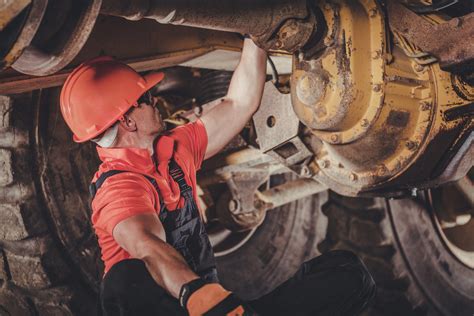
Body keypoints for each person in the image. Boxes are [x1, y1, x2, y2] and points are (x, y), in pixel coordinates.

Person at [60, 38, 376, 315]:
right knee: (126, 280)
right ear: (127, 121)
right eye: (145, 99)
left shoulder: (173, 150)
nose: (154, 100)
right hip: (189, 305)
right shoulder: (119, 186)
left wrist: (259, 36)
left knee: (346, 275)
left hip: (214, 307)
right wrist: (200, 297)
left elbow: (239, 104)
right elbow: (146, 246)